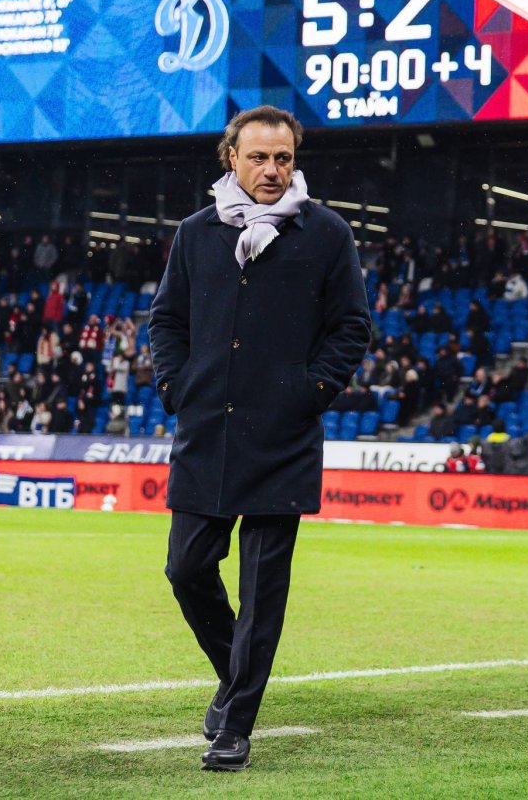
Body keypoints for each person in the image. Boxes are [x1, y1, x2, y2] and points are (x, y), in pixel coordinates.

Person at [149, 105, 371, 772]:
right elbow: (167, 320)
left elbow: (351, 327)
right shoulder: (196, 233)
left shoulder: (327, 233)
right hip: (206, 430)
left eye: (283, 158)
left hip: (283, 437)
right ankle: (235, 678)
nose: (272, 170)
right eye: (258, 157)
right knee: (186, 569)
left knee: (262, 594)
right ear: (232, 159)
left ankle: (236, 726)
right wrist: (176, 386)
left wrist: (311, 391)